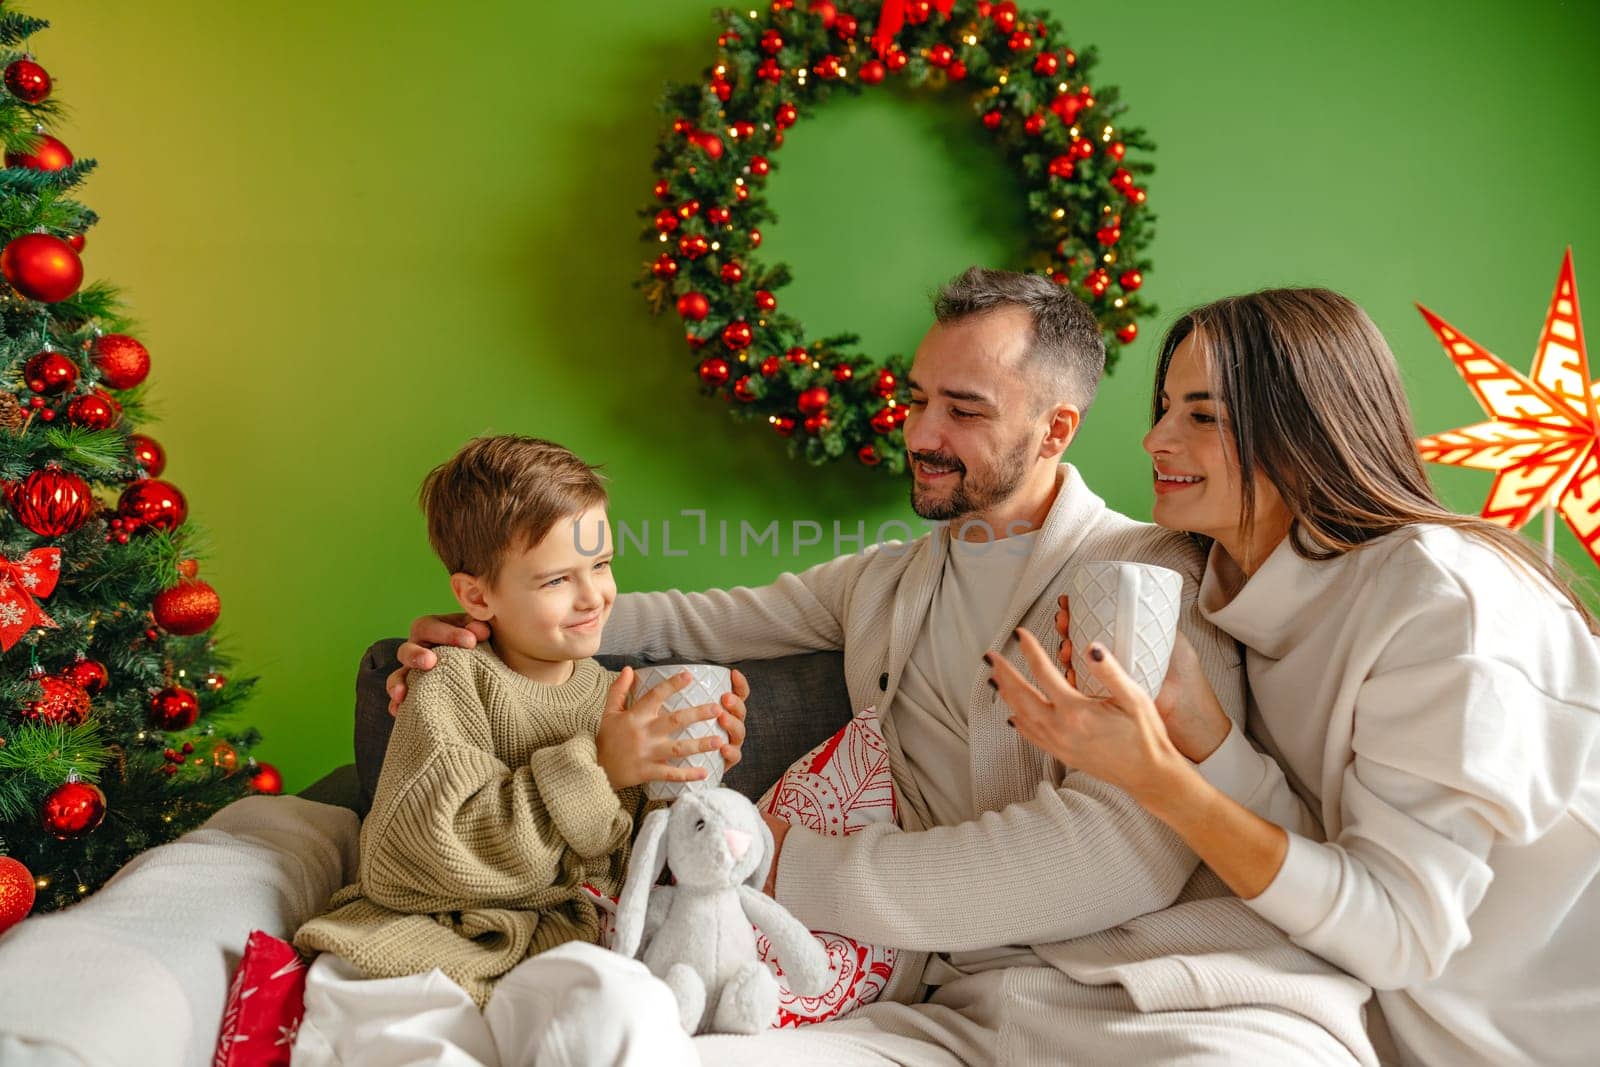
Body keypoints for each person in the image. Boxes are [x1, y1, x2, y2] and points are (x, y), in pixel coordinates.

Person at [390, 270, 1378, 1064]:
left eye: (962, 408)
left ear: (1055, 429)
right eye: (916, 397)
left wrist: (791, 865)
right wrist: (492, 624)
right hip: (954, 1011)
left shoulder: (1141, 579)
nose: (918, 434)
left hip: (1172, 1004)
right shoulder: (887, 584)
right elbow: (695, 616)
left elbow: (1111, 857)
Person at [990, 287, 1600, 1066]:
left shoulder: (1438, 603)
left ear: (1306, 433)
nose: (1154, 439)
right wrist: (1201, 728)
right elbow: (1328, 858)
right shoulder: (1234, 593)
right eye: (1167, 407)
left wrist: (1160, 780)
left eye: (1202, 416)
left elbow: (1400, 930)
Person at [293, 435, 751, 1066]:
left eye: (602, 565)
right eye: (559, 579)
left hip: (556, 959)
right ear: (478, 597)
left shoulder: (614, 696)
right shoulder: (452, 680)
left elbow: (631, 870)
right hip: (425, 950)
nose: (594, 596)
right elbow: (418, 850)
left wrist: (697, 771)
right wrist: (597, 767)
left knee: (626, 1010)